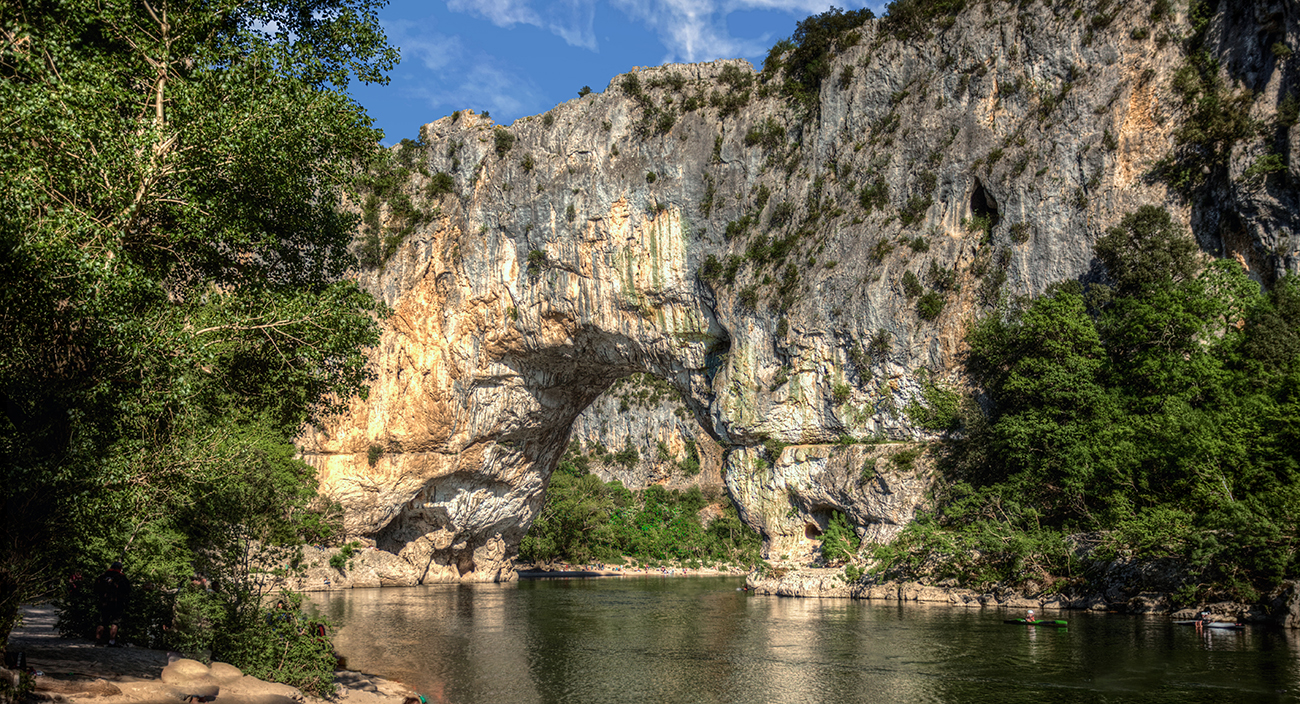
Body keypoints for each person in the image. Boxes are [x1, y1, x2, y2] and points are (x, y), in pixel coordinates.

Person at [94, 561, 131, 647]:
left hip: (103, 602)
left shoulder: (102, 576)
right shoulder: (121, 577)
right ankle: (112, 642)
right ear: (120, 568)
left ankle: (98, 641)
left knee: (102, 621)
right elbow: (127, 590)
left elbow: (95, 588)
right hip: (116, 603)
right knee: (115, 622)